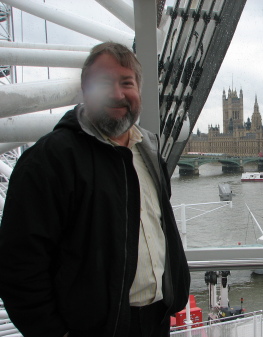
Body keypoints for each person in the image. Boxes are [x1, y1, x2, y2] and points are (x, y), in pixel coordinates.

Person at [0, 42, 190, 337]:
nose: (117, 94)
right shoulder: (48, 160)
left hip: (156, 321)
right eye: (103, 83)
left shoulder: (150, 153)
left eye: (127, 83)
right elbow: (18, 268)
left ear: (139, 90)